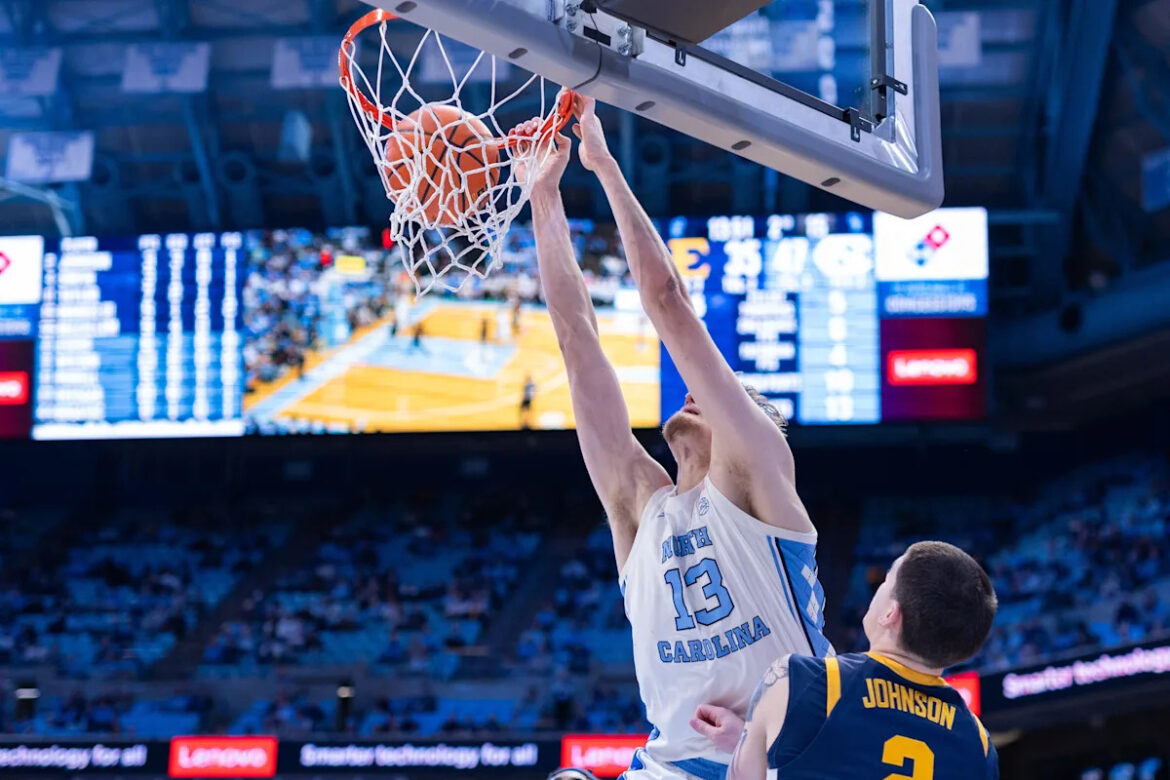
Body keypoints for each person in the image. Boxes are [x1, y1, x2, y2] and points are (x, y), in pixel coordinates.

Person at [520, 94, 831, 780]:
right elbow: (576, 340)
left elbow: (668, 301)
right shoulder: (640, 505)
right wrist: (542, 196)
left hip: (784, 762)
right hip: (668, 767)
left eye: (718, 396)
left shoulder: (757, 480)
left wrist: (603, 166)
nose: (693, 392)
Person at [690, 541, 999, 780]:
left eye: (886, 581)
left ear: (890, 614)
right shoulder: (979, 745)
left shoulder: (800, 680)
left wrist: (754, 737)